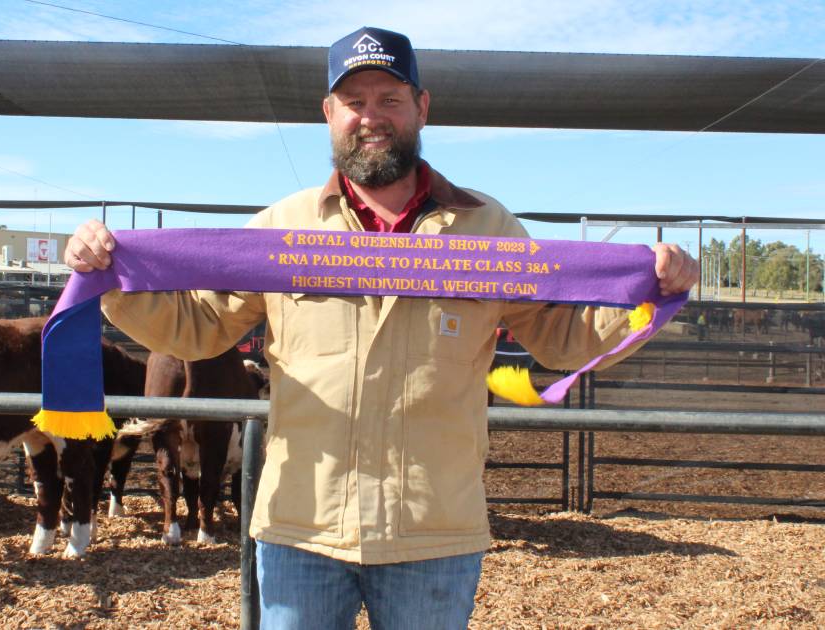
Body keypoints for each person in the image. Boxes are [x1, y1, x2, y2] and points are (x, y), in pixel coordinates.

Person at [64, 26, 699, 630]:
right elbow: (198, 327)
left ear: (422, 107)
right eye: (354, 100)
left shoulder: (489, 229)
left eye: (391, 98)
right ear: (329, 113)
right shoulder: (283, 229)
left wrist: (649, 297)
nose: (372, 115)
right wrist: (111, 279)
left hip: (435, 530)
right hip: (300, 527)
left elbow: (560, 336)